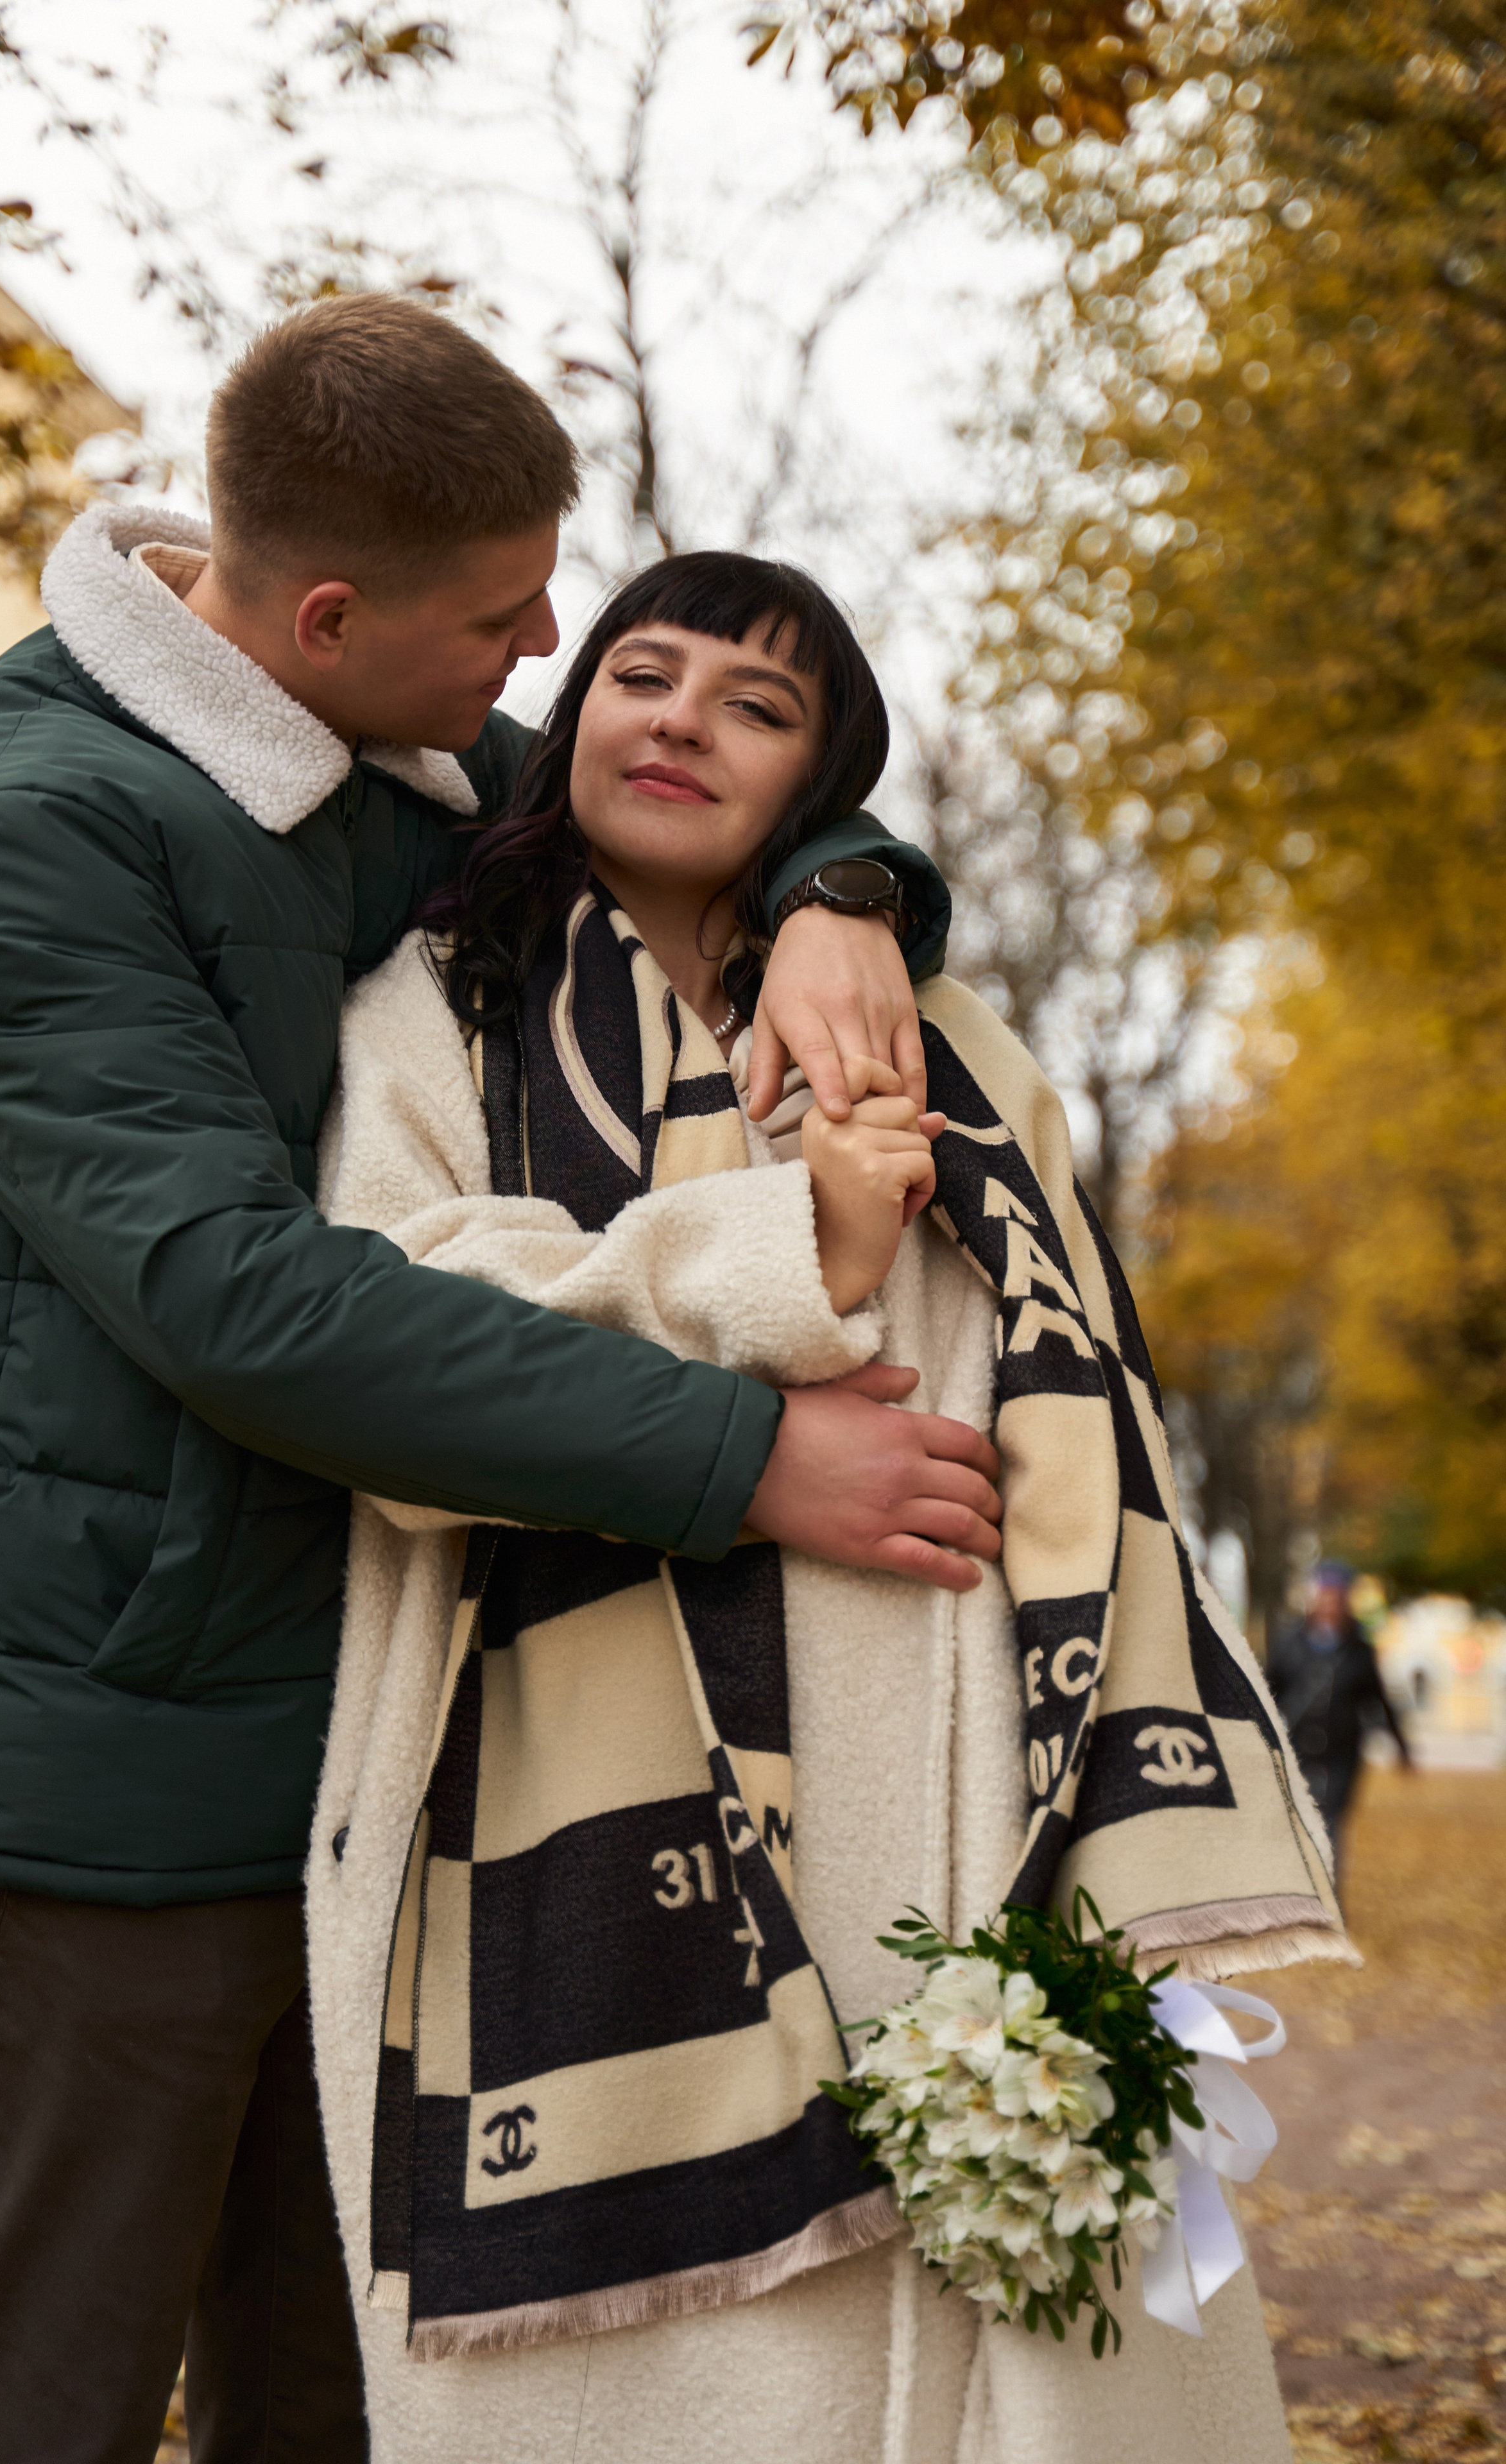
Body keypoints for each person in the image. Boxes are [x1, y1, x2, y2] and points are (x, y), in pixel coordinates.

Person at [0, 298, 1003, 2464]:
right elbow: (237, 1298)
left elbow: (685, 802)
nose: (546, 648)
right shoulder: (19, 825)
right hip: (121, 1741)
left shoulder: (417, 756)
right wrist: (742, 1452)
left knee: (362, 2400)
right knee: (51, 2394)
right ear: (318, 615)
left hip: (395, 1738)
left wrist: (847, 892)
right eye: (501, 617)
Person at [311, 549, 1351, 2464]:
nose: (685, 714)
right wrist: (788, 1240)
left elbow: (1068, 1416)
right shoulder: (431, 1004)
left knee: (988, 2306)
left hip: (954, 1789)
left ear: (821, 788)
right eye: (642, 668)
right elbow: (394, 1341)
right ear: (573, 718)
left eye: (758, 702)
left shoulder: (956, 1038)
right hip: (559, 1808)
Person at [1267, 1562, 1414, 1882]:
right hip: (1295, 1751)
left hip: (1342, 1754)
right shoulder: (1288, 1643)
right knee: (1294, 1825)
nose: (1329, 1604)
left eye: (1337, 1597)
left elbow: (1379, 1699)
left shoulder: (1360, 1650)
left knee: (1331, 1825)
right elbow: (1266, 1692)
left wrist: (1402, 1747)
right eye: (1324, 1596)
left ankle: (1330, 1904)